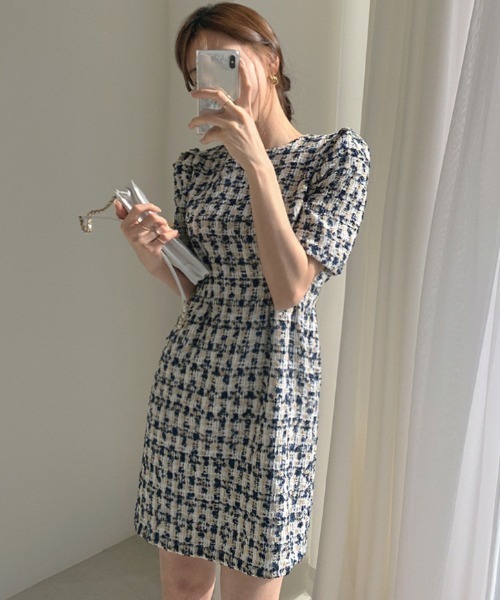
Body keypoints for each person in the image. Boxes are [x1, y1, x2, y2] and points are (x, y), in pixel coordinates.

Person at [115, 3, 370, 599]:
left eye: (222, 61)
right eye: (196, 73)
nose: (210, 82)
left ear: (271, 60)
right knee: (183, 583)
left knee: (251, 587)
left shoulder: (336, 157)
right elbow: (203, 285)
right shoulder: (196, 169)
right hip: (190, 382)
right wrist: (152, 254)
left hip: (272, 391)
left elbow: (290, 287)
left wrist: (256, 160)